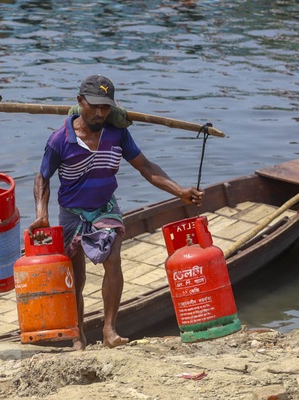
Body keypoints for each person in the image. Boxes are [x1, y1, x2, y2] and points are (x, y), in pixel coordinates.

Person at [27, 75, 204, 350]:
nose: (99, 113)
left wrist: (179, 191)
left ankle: (109, 329)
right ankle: (78, 335)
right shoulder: (59, 140)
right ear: (80, 102)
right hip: (72, 213)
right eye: (94, 106)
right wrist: (41, 213)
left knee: (113, 258)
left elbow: (146, 167)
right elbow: (42, 178)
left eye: (105, 108)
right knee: (77, 277)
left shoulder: (117, 133)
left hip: (105, 208)